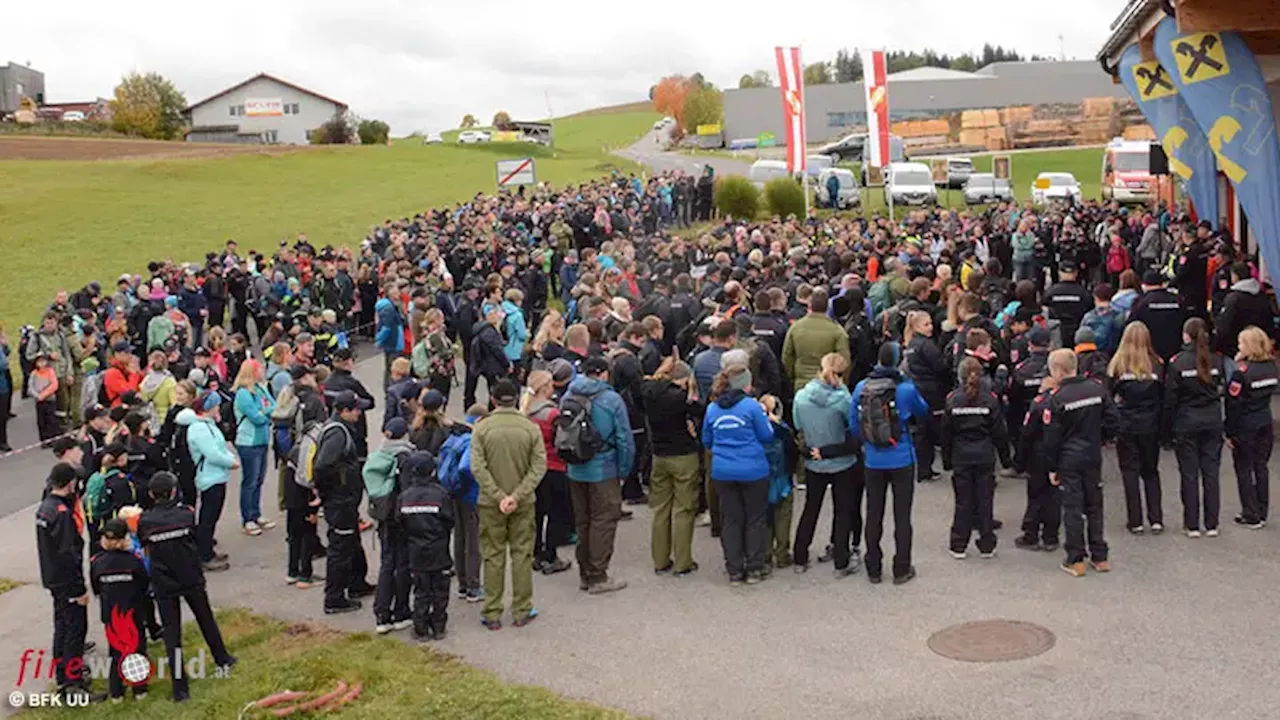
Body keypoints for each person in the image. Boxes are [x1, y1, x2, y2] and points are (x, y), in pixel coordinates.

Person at [137, 472, 236, 702]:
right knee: (205, 619)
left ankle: (180, 689)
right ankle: (222, 658)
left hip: (163, 582)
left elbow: (144, 545)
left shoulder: (145, 521)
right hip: (190, 577)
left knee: (172, 634)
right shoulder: (186, 515)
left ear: (151, 495)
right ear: (173, 491)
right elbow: (197, 538)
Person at [849, 342, 929, 585]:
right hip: (901, 456)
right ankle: (901, 568)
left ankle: (873, 567)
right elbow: (923, 411)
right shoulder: (904, 388)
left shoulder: (862, 388)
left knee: (874, 512)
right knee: (902, 515)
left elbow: (854, 424)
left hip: (873, 459)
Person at [470, 380, 547, 629]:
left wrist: (498, 495)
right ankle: (521, 609)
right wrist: (517, 495)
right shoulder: (530, 428)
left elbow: (477, 467)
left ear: (492, 399)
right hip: (523, 502)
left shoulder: (481, 429)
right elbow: (538, 467)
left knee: (493, 555)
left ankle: (492, 612)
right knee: (522, 554)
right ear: (516, 398)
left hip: (490, 503)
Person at [561, 356, 634, 594]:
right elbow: (624, 438)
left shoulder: (568, 396)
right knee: (603, 520)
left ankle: (585, 572)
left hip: (575, 467)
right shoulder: (611, 400)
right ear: (603, 373)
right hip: (604, 467)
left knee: (583, 522)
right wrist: (623, 471)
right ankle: (598, 575)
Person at [1042, 349, 1119, 577]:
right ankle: (1100, 555)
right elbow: (1114, 419)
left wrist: (1052, 467)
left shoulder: (1057, 399)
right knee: (1095, 504)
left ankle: (1075, 559)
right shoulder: (1097, 389)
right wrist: (1101, 438)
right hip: (1092, 456)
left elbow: (1051, 439)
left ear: (1056, 371)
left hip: (1069, 459)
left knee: (1073, 508)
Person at [702, 364, 774, 585]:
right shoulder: (751, 407)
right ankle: (754, 567)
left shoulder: (712, 409)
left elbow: (707, 440)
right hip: (753, 469)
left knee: (731, 519)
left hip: (723, 471)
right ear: (746, 384)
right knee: (755, 518)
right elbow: (766, 435)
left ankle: (734, 569)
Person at [37, 463, 103, 701]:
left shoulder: (46, 508)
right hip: (67, 582)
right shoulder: (62, 515)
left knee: (62, 628)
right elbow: (69, 554)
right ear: (70, 483)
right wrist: (80, 589)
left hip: (53, 580)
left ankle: (63, 677)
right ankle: (73, 684)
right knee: (76, 630)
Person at [791, 353, 861, 576]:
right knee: (843, 511)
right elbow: (853, 430)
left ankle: (800, 555)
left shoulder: (801, 397)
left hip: (814, 461)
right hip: (842, 462)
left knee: (811, 508)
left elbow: (798, 425)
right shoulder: (844, 400)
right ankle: (841, 560)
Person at [942, 356, 1011, 560]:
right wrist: (1005, 459)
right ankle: (987, 544)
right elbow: (999, 432)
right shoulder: (990, 399)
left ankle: (958, 544)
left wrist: (947, 460)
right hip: (984, 456)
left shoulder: (953, 399)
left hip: (961, 457)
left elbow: (946, 433)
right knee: (985, 501)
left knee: (963, 501)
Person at [641, 356, 703, 576]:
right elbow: (699, 410)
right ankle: (682, 561)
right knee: (684, 509)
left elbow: (650, 383)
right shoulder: (680, 399)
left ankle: (660, 560)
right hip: (683, 455)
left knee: (660, 509)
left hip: (659, 454)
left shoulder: (649, 392)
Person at [315, 390, 376, 614]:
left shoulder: (339, 428)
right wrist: (333, 493)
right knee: (340, 548)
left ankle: (356, 584)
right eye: (356, 409)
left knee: (352, 542)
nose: (359, 413)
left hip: (345, 501)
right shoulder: (337, 434)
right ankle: (334, 598)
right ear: (344, 411)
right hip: (339, 501)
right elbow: (323, 466)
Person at [1165, 318, 1227, 538]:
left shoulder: (1177, 362)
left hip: (1186, 422)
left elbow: (1171, 399)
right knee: (1211, 474)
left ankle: (1191, 524)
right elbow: (1223, 391)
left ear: (1186, 336)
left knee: (1189, 475)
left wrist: (1168, 429)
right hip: (1212, 421)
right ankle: (1212, 524)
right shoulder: (1216, 361)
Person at [1107, 322, 1165, 534]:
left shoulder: (1118, 365)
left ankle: (1136, 521)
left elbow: (1108, 398)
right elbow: (1163, 397)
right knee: (1150, 471)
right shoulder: (1157, 364)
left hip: (1127, 424)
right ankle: (1156, 518)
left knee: (1129, 472)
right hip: (1150, 425)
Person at [89, 518, 150, 702]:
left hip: (110, 614)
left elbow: (96, 588)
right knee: (137, 649)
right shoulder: (133, 561)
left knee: (115, 651)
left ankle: (116, 691)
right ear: (125, 538)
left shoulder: (97, 562)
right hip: (132, 612)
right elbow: (143, 585)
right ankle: (139, 689)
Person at [363, 417, 415, 634]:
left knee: (386, 563)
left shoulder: (380, 454)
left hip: (384, 517)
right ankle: (401, 611)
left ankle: (381, 613)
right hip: (399, 518)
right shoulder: (403, 456)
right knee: (402, 565)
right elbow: (406, 489)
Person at [521, 370, 573, 575]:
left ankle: (536, 553)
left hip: (533, 469)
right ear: (545, 388)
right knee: (555, 514)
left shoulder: (525, 412)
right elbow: (560, 441)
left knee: (537, 513)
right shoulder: (552, 414)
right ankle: (551, 555)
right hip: (553, 466)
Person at [398, 451, 454, 640]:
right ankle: (439, 626)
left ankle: (420, 627)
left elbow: (400, 523)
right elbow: (449, 520)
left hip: (416, 551)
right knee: (440, 590)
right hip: (439, 550)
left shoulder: (405, 496)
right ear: (432, 471)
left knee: (421, 591)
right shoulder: (440, 494)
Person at [1225, 326, 1277, 529]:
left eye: (1241, 342)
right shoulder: (1272, 366)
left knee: (1244, 468)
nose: (1238, 346)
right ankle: (1262, 511)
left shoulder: (1241, 372)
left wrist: (1229, 431)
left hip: (1245, 426)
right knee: (1261, 466)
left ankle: (1250, 513)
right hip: (1265, 420)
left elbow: (1233, 403)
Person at [180, 391, 236, 571]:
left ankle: (207, 551)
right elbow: (212, 453)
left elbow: (218, 447)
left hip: (216, 476)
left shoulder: (207, 425)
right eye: (216, 405)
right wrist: (230, 462)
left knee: (212, 516)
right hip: (209, 477)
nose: (218, 408)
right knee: (207, 518)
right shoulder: (199, 428)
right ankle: (204, 555)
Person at [902, 310, 949, 482]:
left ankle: (923, 468)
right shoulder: (926, 345)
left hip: (917, 388)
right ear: (916, 327)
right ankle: (930, 466)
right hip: (931, 390)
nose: (930, 327)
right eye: (926, 324)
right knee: (933, 430)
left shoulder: (910, 345)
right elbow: (940, 366)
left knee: (923, 431)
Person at [232, 359, 276, 535]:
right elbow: (256, 418)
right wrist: (266, 413)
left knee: (259, 479)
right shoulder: (243, 394)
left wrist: (265, 412)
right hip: (248, 442)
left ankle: (256, 513)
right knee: (249, 481)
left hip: (263, 440)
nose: (263, 371)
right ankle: (247, 518)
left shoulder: (261, 388)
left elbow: (274, 406)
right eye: (260, 369)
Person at [781, 288, 850, 395]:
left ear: (810, 305)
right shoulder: (837, 331)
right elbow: (844, 360)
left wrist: (793, 377)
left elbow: (787, 356)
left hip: (802, 384)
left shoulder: (795, 328)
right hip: (828, 385)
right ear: (827, 307)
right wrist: (840, 381)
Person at [1215, 263, 1273, 357]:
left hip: (1237, 349)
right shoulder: (1261, 295)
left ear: (1235, 276)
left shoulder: (1233, 299)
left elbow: (1224, 326)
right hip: (1261, 346)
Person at [1128, 270, 1185, 361]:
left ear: (1144, 285)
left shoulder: (1140, 302)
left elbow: (1132, 325)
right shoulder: (1178, 300)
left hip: (1150, 351)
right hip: (1175, 350)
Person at [1044, 262, 1090, 351]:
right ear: (1076, 273)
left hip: (1056, 332)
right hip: (1076, 330)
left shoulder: (1051, 292)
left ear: (1060, 273)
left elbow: (1045, 309)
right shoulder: (1083, 293)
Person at [375, 280, 407, 389]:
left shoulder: (393, 306)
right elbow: (386, 327)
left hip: (393, 342)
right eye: (396, 291)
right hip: (393, 342)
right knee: (394, 369)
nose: (399, 293)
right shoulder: (389, 309)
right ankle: (392, 390)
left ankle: (390, 389)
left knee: (389, 368)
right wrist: (379, 340)